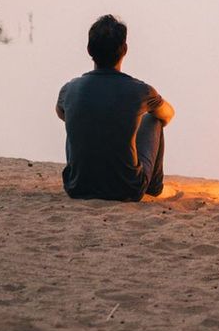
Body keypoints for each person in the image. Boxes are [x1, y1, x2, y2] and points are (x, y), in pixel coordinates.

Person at [56, 14, 175, 201]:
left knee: (79, 117)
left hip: (77, 186)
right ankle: (154, 188)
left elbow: (61, 114)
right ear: (125, 49)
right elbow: (168, 115)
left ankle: (89, 173)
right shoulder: (141, 91)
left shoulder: (69, 89)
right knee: (153, 119)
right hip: (127, 189)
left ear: (89, 50)